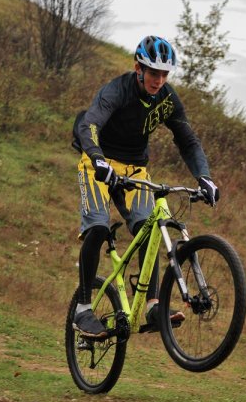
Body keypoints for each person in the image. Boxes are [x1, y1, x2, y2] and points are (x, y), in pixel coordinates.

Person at [73, 35, 219, 338]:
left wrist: (204, 177)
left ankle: (154, 305)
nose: (159, 80)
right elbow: (89, 124)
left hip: (135, 169)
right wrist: (99, 160)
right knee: (98, 228)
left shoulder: (166, 98)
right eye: (154, 73)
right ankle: (82, 310)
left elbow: (188, 140)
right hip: (98, 162)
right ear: (138, 68)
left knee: (148, 228)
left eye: (165, 74)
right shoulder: (117, 90)